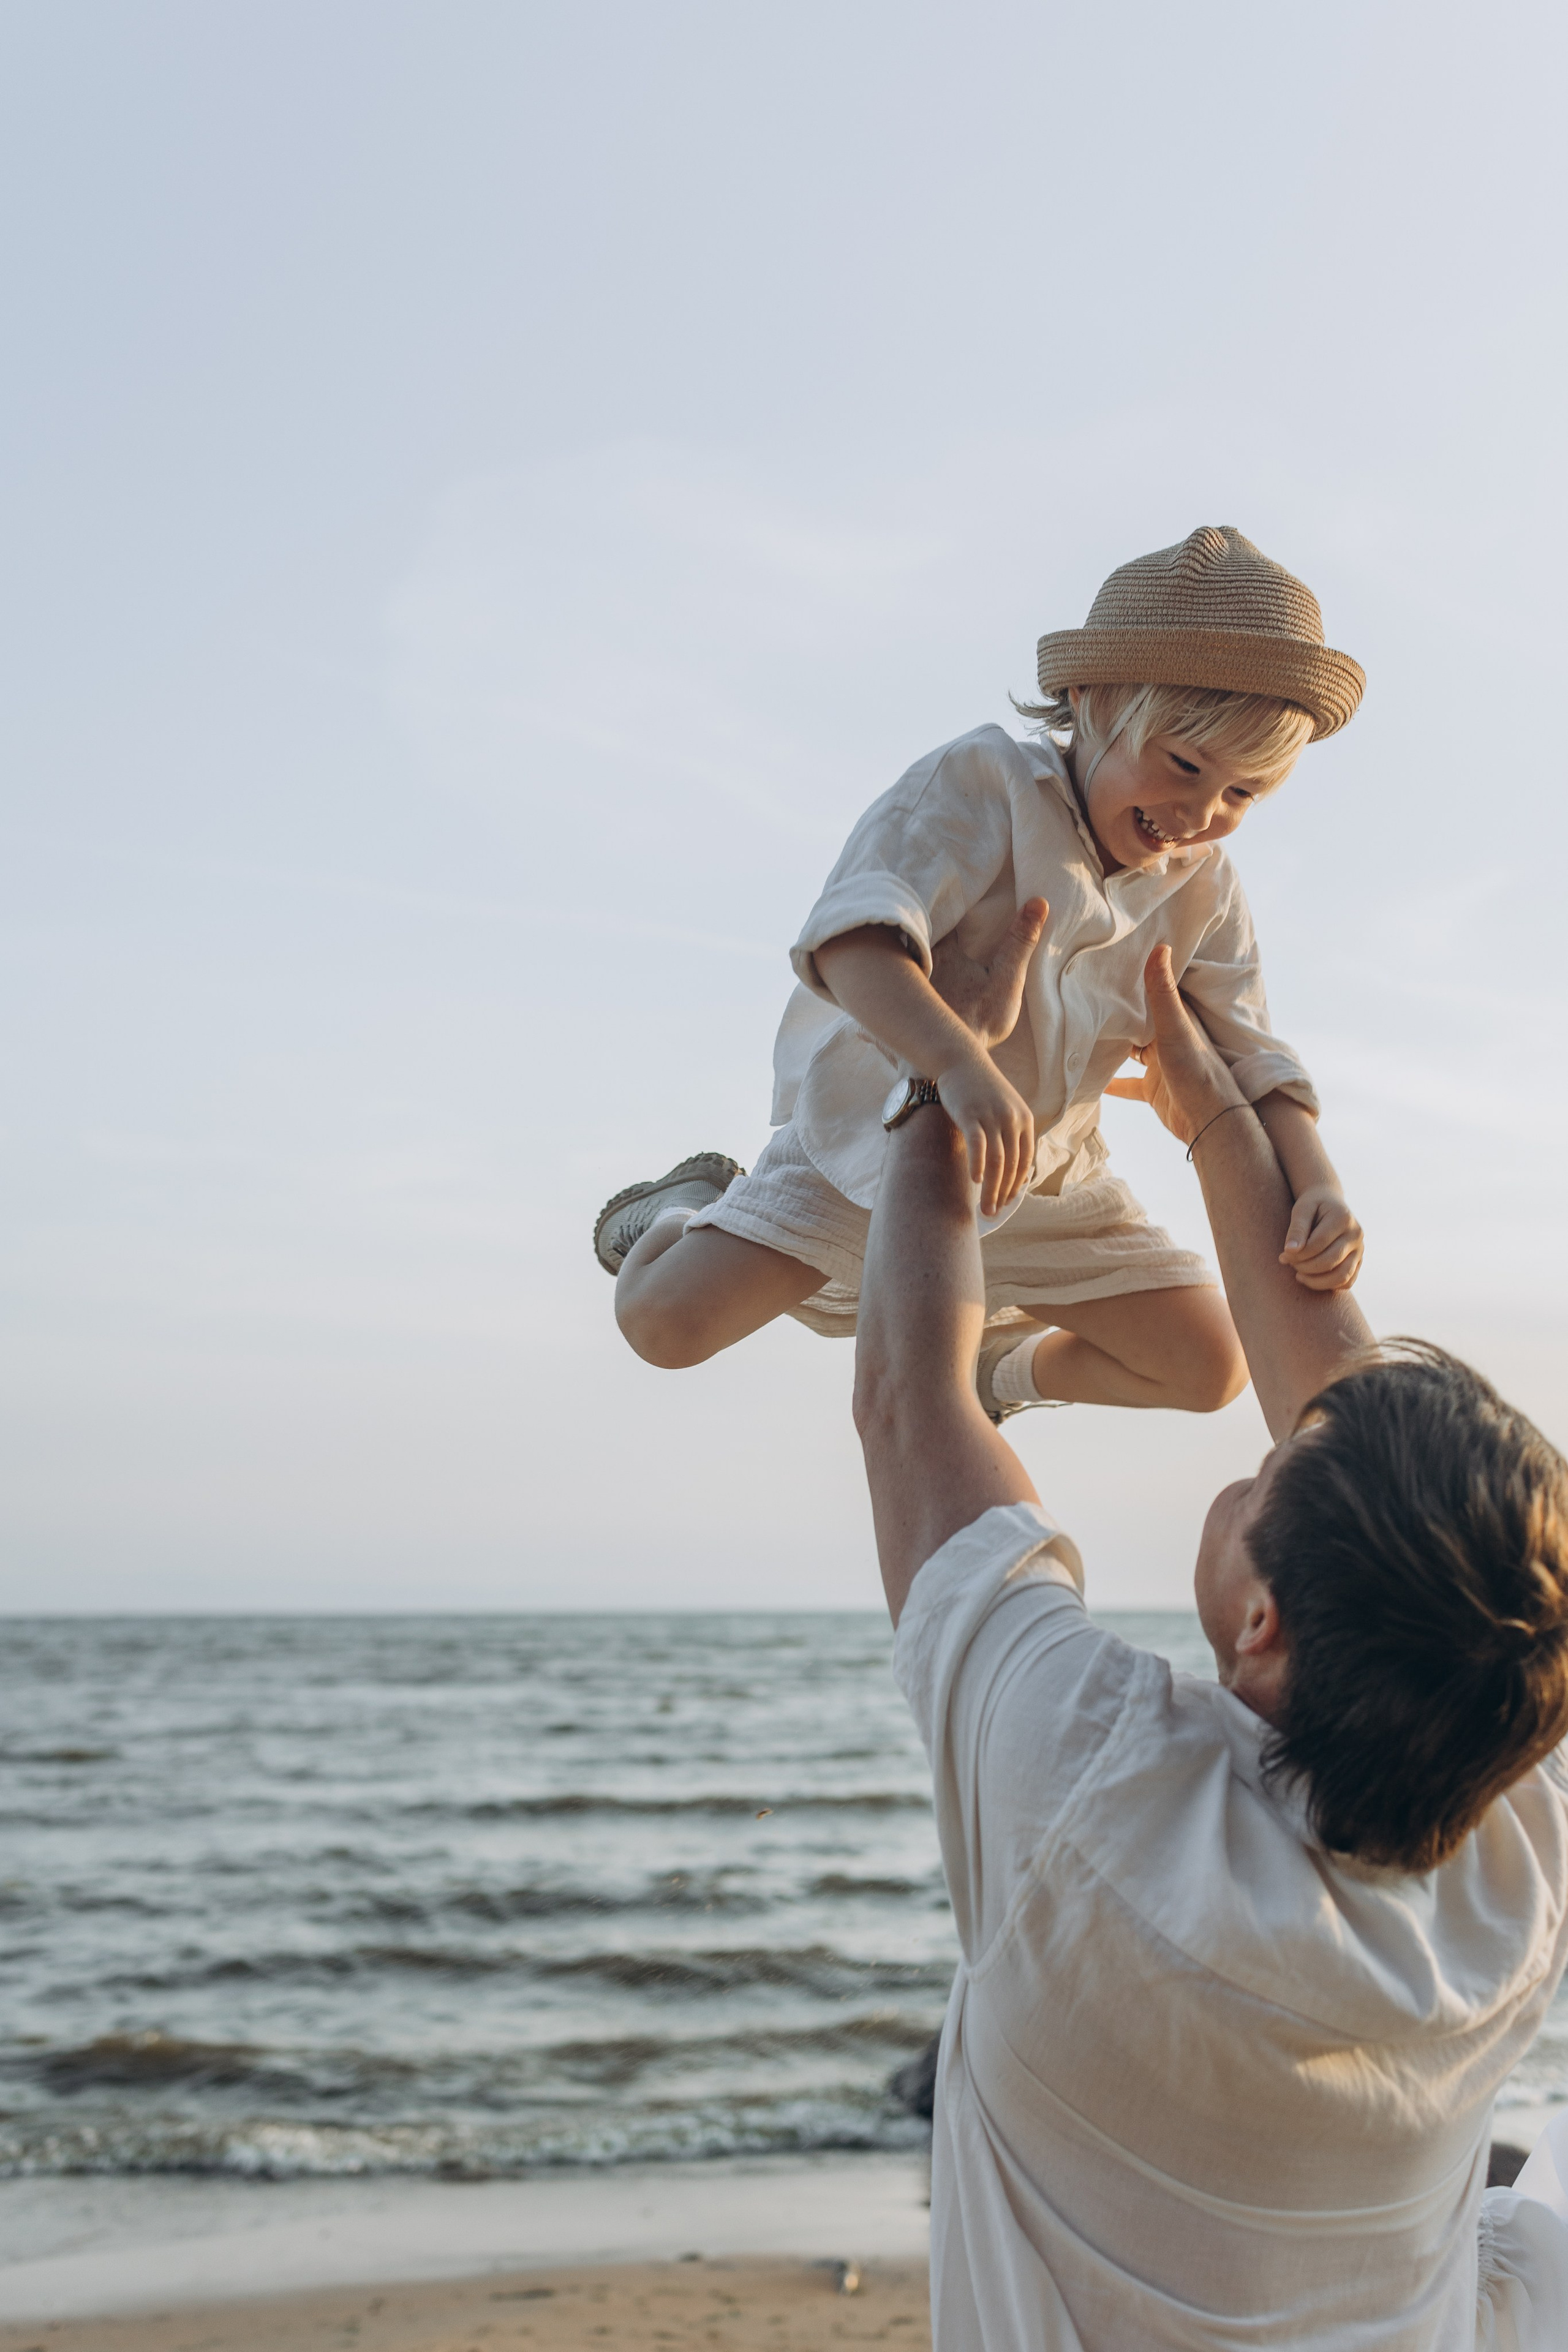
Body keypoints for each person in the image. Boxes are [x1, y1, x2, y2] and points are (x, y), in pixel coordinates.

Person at [853, 899, 1568, 2349]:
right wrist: (1211, 1115)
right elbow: (1354, 1426)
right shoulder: (1512, 1852)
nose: (1248, 1457)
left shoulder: (1085, 1790)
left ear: (1258, 1625)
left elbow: (911, 1403)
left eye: (1264, 1480)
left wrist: (946, 1075)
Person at [596, 526, 1366, 1419]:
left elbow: (1250, 1048)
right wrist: (957, 1064)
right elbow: (852, 941)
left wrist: (1317, 1178)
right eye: (1185, 764)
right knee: (667, 1328)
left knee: (1206, 1368)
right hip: (872, 1152)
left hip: (1044, 1182)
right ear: (1090, 696)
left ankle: (998, 1373)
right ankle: (681, 1213)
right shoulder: (982, 785)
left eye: (1242, 794)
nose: (1200, 812)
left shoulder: (1204, 887)